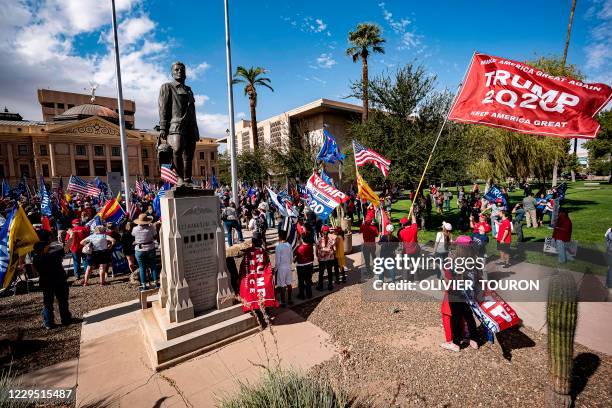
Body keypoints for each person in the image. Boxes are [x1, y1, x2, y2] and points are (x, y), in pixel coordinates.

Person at [440, 235, 480, 352]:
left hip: (455, 293)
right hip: (469, 293)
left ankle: (455, 343)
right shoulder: (475, 261)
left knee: (456, 318)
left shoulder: (452, 262)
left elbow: (447, 279)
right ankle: (474, 339)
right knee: (469, 316)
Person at [32, 230, 73, 330]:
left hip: (46, 282)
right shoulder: (53, 255)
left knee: (48, 303)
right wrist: (71, 235)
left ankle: (49, 323)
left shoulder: (36, 259)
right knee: (62, 301)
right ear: (43, 248)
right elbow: (67, 247)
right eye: (46, 246)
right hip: (59, 281)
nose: (48, 246)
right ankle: (66, 319)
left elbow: (35, 273)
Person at [132, 213, 159, 290]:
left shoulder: (135, 229)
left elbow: (133, 234)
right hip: (150, 247)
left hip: (139, 249)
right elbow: (155, 235)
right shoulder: (151, 228)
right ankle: (156, 282)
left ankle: (143, 285)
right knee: (153, 266)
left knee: (142, 267)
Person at [274, 230, 293, 307]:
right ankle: (290, 299)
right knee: (289, 283)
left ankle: (283, 301)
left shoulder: (278, 247)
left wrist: (275, 269)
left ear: (279, 236)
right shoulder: (289, 245)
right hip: (288, 266)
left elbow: (277, 261)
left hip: (281, 267)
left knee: (281, 285)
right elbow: (291, 257)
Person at [398, 214, 419, 280]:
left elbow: (400, 240)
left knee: (405, 266)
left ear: (403, 225)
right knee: (415, 264)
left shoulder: (401, 232)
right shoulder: (414, 228)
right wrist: (412, 214)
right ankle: (416, 279)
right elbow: (414, 221)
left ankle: (405, 279)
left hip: (406, 251)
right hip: (415, 250)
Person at [294, 232, 314, 299]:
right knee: (308, 280)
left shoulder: (300, 248)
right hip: (309, 264)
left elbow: (295, 256)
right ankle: (309, 294)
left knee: (301, 281)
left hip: (301, 266)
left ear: (302, 239)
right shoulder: (310, 245)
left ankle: (301, 295)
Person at [316, 225, 336, 291]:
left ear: (322, 232)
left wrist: (317, 256)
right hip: (330, 258)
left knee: (321, 272)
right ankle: (330, 285)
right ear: (328, 232)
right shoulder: (331, 240)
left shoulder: (319, 240)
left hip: (321, 258)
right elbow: (333, 249)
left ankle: (320, 286)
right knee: (329, 272)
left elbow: (317, 249)